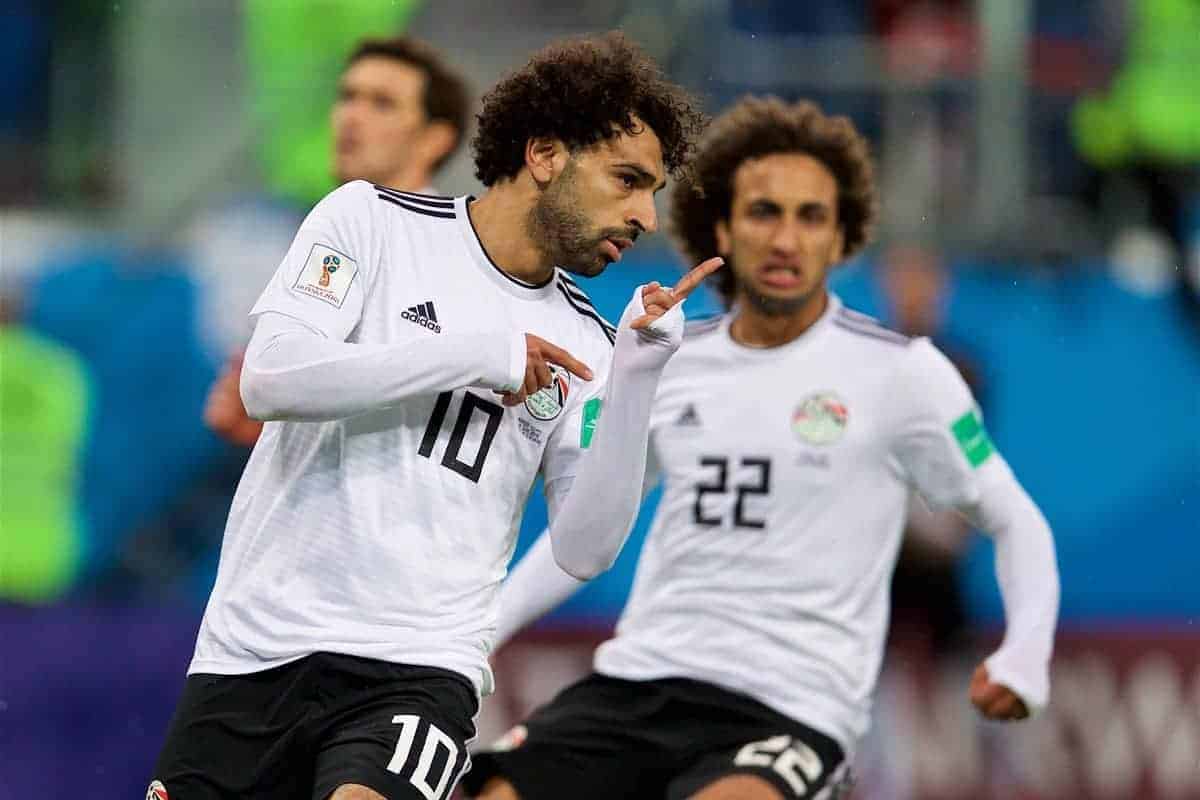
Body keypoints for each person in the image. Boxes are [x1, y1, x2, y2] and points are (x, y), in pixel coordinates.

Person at [151, 32, 716, 800]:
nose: (646, 215)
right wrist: (478, 352)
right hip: (251, 651)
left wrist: (638, 377)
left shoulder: (589, 341)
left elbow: (584, 548)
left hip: (417, 669)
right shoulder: (368, 221)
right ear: (546, 155)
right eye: (627, 180)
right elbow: (271, 377)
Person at [467, 97, 1060, 800]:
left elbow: (1013, 519)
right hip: (640, 683)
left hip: (794, 709)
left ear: (841, 239)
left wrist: (1026, 651)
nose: (786, 238)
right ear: (721, 226)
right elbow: (583, 539)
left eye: (811, 217)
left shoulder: (904, 373)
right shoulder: (668, 358)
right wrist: (483, 633)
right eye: (763, 212)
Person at [204, 35, 471, 447]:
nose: (351, 116)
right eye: (347, 96)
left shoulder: (457, 261)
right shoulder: (317, 235)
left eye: (382, 103)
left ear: (436, 139)